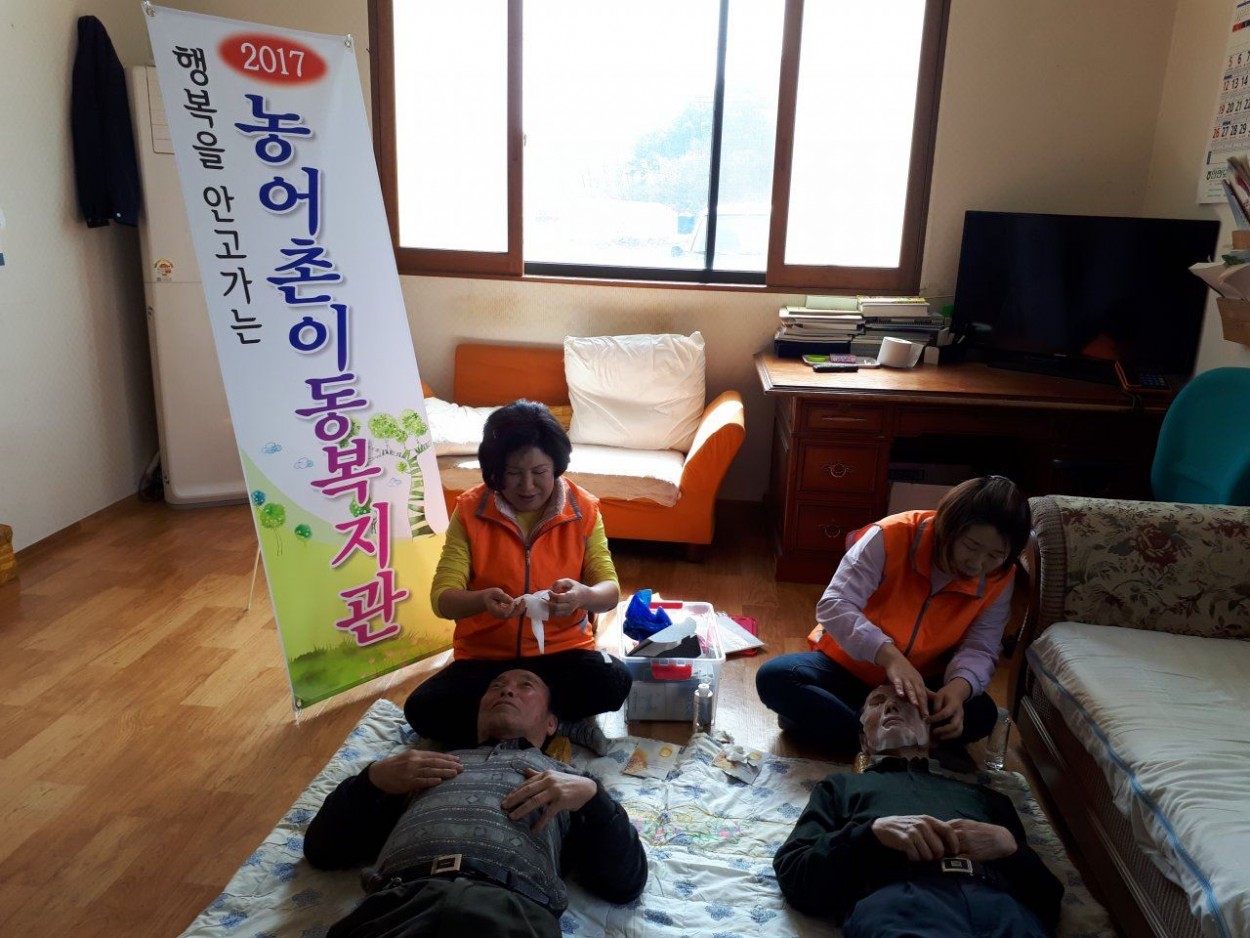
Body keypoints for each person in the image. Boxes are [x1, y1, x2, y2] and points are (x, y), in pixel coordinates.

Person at [306, 669, 647, 937]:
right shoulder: (418, 766)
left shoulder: (568, 781)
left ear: (551, 723)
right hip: (397, 906)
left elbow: (625, 884)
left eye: (525, 686)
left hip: (510, 911)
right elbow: (323, 851)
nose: (507, 691)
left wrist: (593, 798)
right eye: (496, 686)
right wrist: (370, 780)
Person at [404, 400, 630, 748]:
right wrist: (482, 600)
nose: (527, 486)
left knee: (615, 681)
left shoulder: (583, 510)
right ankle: (550, 723)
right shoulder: (470, 511)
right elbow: (442, 599)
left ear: (556, 466)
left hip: (562, 654)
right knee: (423, 710)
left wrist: (581, 596)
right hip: (486, 660)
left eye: (539, 472)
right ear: (495, 470)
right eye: (513, 473)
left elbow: (609, 591)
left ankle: (515, 726)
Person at [756, 476, 1031, 756]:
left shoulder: (1001, 576)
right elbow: (835, 605)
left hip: (920, 686)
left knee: (982, 713)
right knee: (775, 678)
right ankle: (901, 742)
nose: (977, 564)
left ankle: (857, 731)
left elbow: (981, 646)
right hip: (850, 668)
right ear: (948, 527)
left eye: (995, 555)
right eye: (971, 546)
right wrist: (890, 657)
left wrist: (958, 689)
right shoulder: (891, 536)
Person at [773, 683, 1063, 937]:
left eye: (907, 701)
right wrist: (870, 835)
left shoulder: (988, 797)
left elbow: (1049, 903)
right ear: (864, 742)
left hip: (1004, 908)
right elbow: (795, 875)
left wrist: (1010, 849)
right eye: (876, 703)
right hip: (900, 905)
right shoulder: (840, 787)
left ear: (931, 734)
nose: (890, 706)